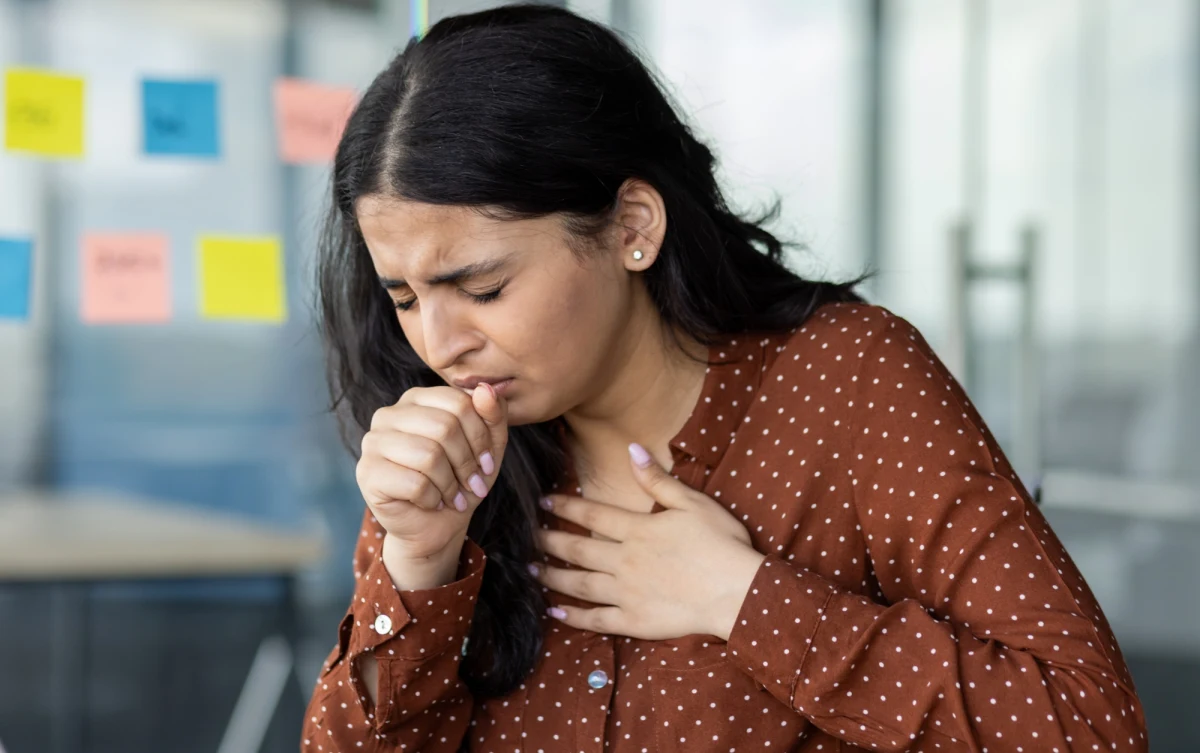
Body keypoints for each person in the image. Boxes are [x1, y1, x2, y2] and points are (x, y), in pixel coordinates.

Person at [305, 5, 1147, 752]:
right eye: (405, 296)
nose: (440, 342)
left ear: (632, 227)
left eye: (484, 287)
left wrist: (744, 598)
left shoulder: (844, 382)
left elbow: (1089, 725)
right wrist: (417, 560)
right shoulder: (447, 463)